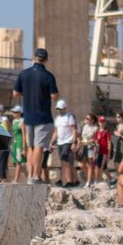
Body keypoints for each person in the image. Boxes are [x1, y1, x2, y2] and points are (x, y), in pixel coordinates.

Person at [12, 48, 59, 185]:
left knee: (31, 147)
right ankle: (36, 176)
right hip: (43, 116)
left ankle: (30, 176)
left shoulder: (23, 74)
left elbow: (16, 93)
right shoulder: (48, 76)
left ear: (33, 58)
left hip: (28, 116)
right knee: (39, 147)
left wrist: (28, 92)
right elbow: (55, 96)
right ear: (45, 60)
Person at [51, 100, 77, 187]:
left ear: (65, 108)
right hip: (60, 142)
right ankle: (63, 180)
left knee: (66, 161)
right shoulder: (57, 118)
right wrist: (51, 142)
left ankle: (69, 181)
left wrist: (74, 142)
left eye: (61, 109)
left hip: (68, 142)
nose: (59, 110)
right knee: (63, 161)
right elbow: (55, 132)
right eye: (58, 109)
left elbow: (74, 130)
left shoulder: (69, 117)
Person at [79, 113, 98, 188]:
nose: (86, 120)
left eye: (88, 118)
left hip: (91, 147)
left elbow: (95, 139)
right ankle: (91, 178)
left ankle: (88, 182)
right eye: (86, 118)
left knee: (89, 164)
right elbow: (82, 136)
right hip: (84, 146)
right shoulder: (85, 126)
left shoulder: (95, 128)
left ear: (92, 120)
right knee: (82, 164)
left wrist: (88, 141)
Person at [93, 116, 113, 185]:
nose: (102, 123)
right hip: (98, 152)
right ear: (98, 122)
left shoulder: (106, 132)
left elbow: (109, 143)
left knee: (102, 167)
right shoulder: (97, 132)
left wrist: (109, 153)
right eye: (100, 122)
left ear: (105, 123)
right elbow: (95, 141)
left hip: (104, 152)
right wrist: (96, 142)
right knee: (101, 167)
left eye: (103, 122)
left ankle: (99, 181)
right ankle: (111, 179)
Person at [10, 106, 26, 183]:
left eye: (15, 112)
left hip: (20, 142)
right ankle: (28, 175)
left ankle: (16, 180)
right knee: (14, 162)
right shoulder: (14, 121)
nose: (14, 113)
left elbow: (24, 134)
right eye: (13, 112)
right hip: (15, 142)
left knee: (18, 162)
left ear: (20, 113)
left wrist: (24, 147)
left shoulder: (22, 121)